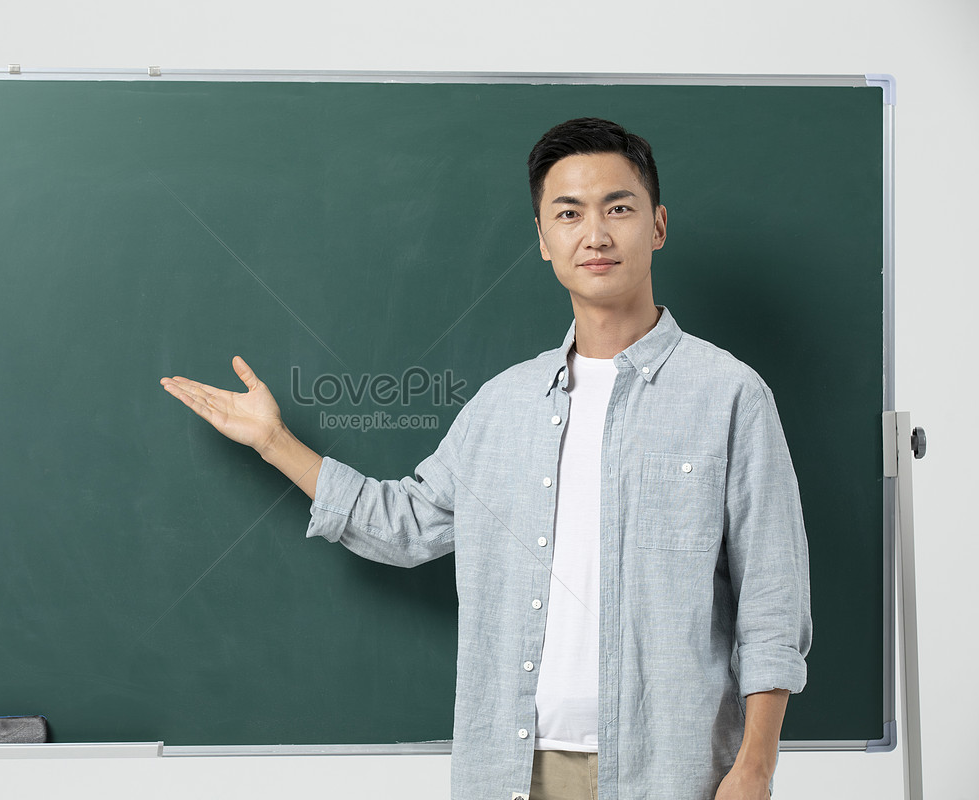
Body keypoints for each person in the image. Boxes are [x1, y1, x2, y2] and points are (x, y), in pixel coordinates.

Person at [160, 118, 812, 800]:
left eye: (618, 208)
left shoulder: (730, 396)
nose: (595, 234)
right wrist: (274, 441)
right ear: (542, 239)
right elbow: (405, 524)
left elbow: (773, 603)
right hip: (514, 772)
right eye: (569, 214)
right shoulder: (503, 406)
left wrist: (755, 767)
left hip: (677, 770)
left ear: (657, 226)